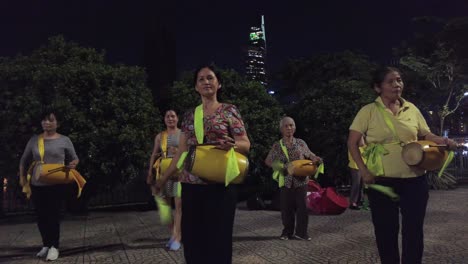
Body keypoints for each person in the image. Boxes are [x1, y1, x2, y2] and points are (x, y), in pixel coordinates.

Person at [347, 66, 458, 264]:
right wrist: (363, 171)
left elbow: (426, 134)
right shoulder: (368, 111)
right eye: (390, 81)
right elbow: (352, 142)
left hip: (415, 179)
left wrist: (443, 140)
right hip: (381, 180)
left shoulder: (412, 109)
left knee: (413, 230)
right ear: (377, 87)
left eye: (399, 80)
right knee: (385, 231)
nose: (397, 84)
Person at [157, 65, 250, 264]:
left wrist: (233, 145)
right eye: (201, 79)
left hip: (220, 184)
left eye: (210, 78)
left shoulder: (229, 110)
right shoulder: (190, 115)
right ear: (196, 87)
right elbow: (182, 151)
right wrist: (164, 178)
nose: (206, 82)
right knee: (193, 241)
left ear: (219, 83)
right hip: (191, 185)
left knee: (219, 240)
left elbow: (245, 143)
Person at [19, 109, 79, 261]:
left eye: (50, 120)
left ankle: (54, 247)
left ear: (57, 123)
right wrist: (22, 178)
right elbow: (24, 160)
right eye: (44, 120)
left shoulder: (64, 140)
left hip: (56, 183)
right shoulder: (34, 140)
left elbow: (75, 158)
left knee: (53, 215)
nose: (47, 123)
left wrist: (73, 164)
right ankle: (46, 244)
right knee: (41, 216)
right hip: (37, 183)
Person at [265, 116, 321, 241]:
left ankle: (301, 233)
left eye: (291, 125)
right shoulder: (277, 145)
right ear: (281, 129)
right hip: (286, 180)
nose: (289, 128)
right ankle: (287, 232)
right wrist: (282, 167)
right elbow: (268, 161)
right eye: (286, 126)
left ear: (295, 128)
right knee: (286, 208)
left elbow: (310, 154)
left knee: (303, 207)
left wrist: (316, 159)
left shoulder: (301, 143)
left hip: (301, 180)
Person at [146, 110, 182, 251]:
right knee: (166, 209)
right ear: (164, 120)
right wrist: (150, 171)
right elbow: (154, 154)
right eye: (167, 116)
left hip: (179, 173)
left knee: (179, 207)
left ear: (177, 118)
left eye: (173, 116)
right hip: (163, 174)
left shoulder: (182, 135)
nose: (170, 118)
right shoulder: (160, 136)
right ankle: (174, 234)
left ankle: (176, 238)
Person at [347, 136, 365, 210]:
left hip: (363, 163)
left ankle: (358, 201)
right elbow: (361, 143)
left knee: (361, 184)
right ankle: (352, 202)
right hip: (355, 164)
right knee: (356, 183)